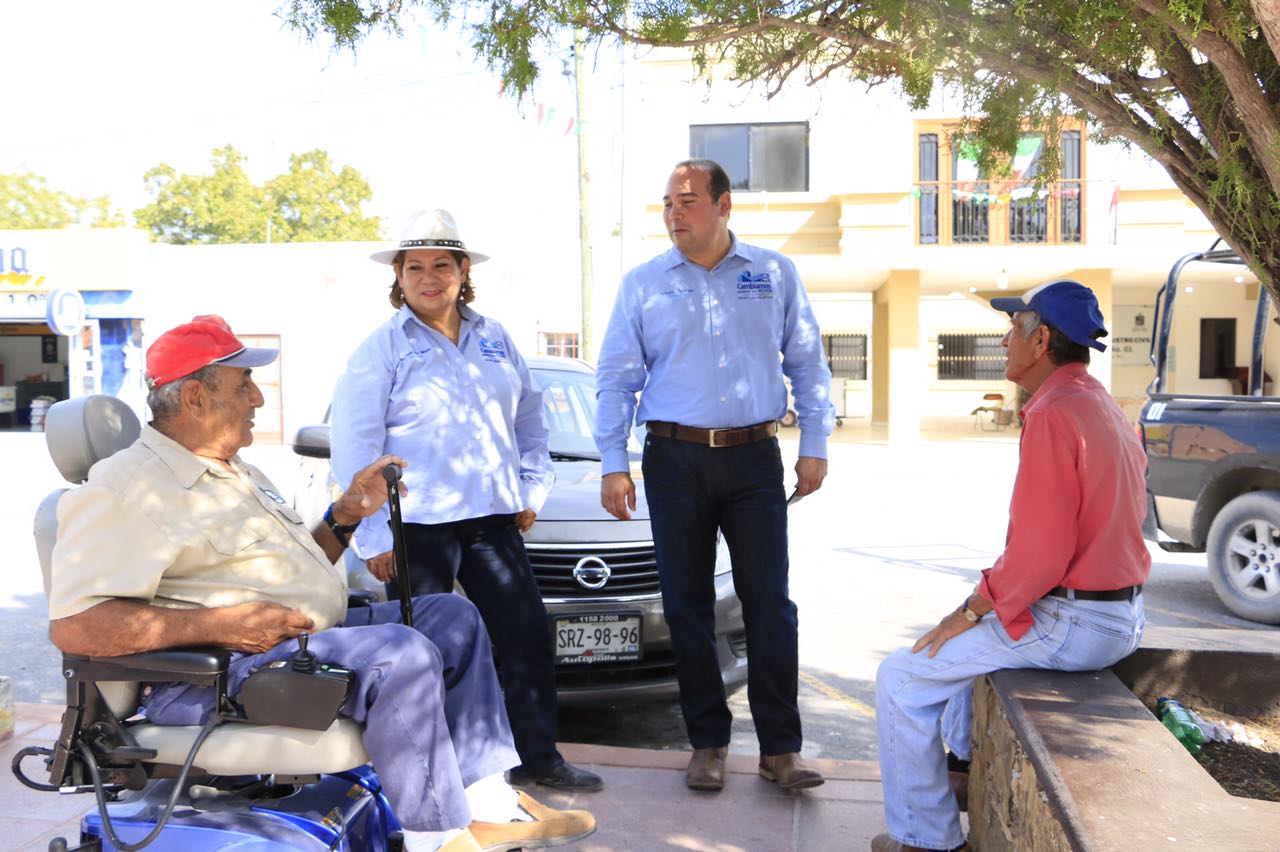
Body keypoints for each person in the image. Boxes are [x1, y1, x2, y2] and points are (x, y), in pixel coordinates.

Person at [47, 315, 596, 852]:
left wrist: (347, 514)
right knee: (400, 651)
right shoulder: (127, 488)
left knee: (450, 617)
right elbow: (77, 629)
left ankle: (487, 808)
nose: (258, 399)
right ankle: (439, 839)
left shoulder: (233, 470)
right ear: (194, 397)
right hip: (213, 679)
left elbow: (297, 565)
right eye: (244, 385)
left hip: (290, 645)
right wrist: (220, 625)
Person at [870, 280, 1150, 852]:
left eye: (1012, 327)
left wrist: (971, 609)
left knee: (901, 678)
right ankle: (960, 776)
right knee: (952, 661)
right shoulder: (1103, 405)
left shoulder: (1053, 413)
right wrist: (979, 611)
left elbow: (1039, 556)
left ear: (1040, 338)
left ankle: (928, 841)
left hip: (1075, 624)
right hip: (1118, 614)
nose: (1003, 340)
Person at [330, 210, 602, 793]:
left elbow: (531, 418)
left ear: (463, 271)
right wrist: (376, 537)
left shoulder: (496, 338)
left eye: (442, 265)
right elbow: (355, 448)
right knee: (424, 654)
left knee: (525, 634)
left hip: (491, 523)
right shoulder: (380, 350)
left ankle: (538, 757)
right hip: (416, 526)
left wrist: (531, 488)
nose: (430, 278)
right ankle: (436, 773)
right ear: (399, 276)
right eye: (416, 267)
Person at [594, 159, 835, 793]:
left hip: (755, 458)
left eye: (689, 201)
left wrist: (815, 442)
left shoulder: (773, 273)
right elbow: (617, 380)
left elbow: (808, 363)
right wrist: (614, 463)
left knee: (770, 604)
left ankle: (781, 749)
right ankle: (708, 742)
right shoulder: (643, 284)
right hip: (673, 460)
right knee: (686, 605)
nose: (674, 214)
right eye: (668, 203)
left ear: (724, 205)